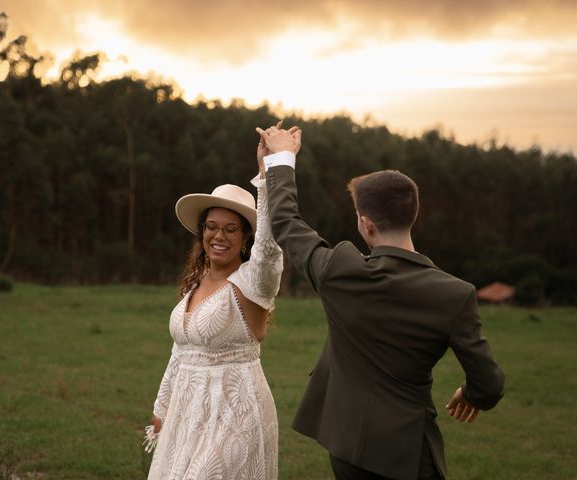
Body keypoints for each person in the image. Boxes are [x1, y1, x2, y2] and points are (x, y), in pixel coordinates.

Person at [255, 124, 505, 480]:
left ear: (366, 224)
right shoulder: (456, 294)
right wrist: (471, 393)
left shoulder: (339, 270)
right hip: (406, 454)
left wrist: (282, 159)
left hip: (345, 447)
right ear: (412, 215)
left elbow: (285, 222)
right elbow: (490, 385)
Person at [144, 156, 286, 479]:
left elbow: (269, 249)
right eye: (211, 227)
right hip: (188, 414)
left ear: (246, 237)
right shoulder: (195, 283)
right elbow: (180, 352)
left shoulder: (251, 283)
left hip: (234, 416)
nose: (219, 236)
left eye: (231, 229)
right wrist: (161, 408)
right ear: (202, 231)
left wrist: (270, 176)